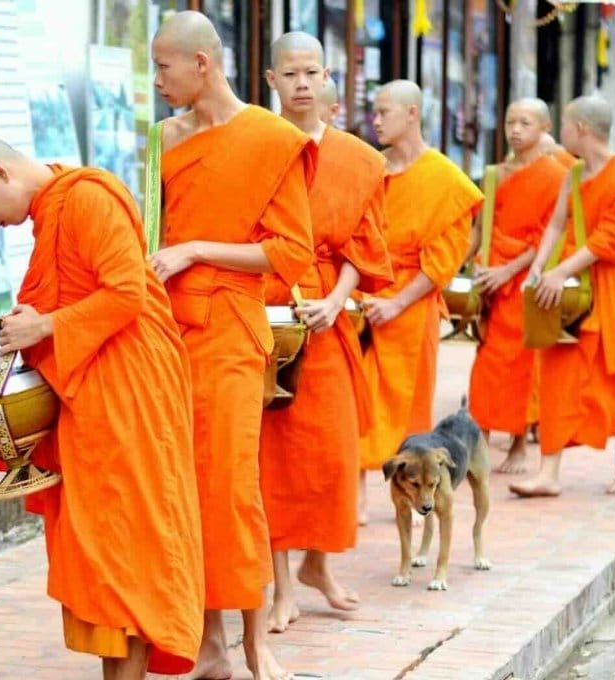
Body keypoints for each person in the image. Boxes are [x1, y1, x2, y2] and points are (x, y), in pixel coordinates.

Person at [0, 133, 206, 679]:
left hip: (131, 391)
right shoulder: (53, 209)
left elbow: (128, 292)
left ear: (0, 173)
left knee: (129, 545)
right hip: (92, 395)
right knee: (105, 546)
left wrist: (45, 325)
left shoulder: (88, 196)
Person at [148, 11, 316, 680]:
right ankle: (206, 640)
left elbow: (292, 253)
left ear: (202, 64)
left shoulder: (270, 139)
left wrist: (193, 249)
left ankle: (254, 641)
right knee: (179, 489)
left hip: (229, 335)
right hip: (166, 335)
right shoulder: (160, 138)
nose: (156, 79)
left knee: (230, 487)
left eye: (164, 66)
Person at [258, 32, 393, 634]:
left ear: (328, 76)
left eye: (312, 72)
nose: (303, 84)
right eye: (291, 74)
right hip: (266, 316)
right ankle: (282, 583)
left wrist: (337, 301)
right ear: (271, 81)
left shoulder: (360, 160)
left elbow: (365, 246)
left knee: (333, 454)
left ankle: (318, 565)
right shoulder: (253, 148)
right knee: (274, 458)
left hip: (328, 315)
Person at [510, 95, 615, 498]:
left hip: (612, 291)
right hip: (567, 292)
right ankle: (548, 471)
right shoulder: (575, 175)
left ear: (580, 128)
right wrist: (538, 267)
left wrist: (560, 271)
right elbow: (555, 225)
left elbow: (613, 238)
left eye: (564, 124)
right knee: (557, 373)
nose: (560, 133)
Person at [357, 81, 484, 507]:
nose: (375, 120)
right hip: (361, 299)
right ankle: (352, 492)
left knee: (405, 405)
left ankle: (406, 490)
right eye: (373, 112)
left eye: (383, 112)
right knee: (355, 399)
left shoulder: (445, 179)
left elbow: (442, 261)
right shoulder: (370, 168)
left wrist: (396, 303)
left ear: (412, 114)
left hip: (411, 307)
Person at [467, 99, 568, 474]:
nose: (515, 130)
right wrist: (457, 267)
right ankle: (479, 441)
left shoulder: (557, 176)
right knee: (487, 366)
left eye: (525, 123)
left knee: (525, 367)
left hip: (526, 282)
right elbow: (480, 230)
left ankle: (519, 446)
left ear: (544, 128)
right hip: (491, 282)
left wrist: (508, 271)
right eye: (510, 121)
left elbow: (548, 237)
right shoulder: (495, 174)